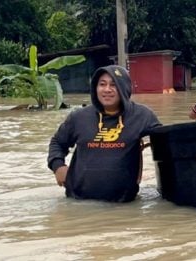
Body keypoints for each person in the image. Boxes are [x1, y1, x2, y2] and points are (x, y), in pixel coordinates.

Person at [47, 65, 162, 202]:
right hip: (77, 203)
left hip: (123, 206)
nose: (107, 89)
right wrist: (58, 166)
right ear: (95, 88)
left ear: (124, 88)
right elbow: (57, 142)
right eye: (102, 84)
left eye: (114, 85)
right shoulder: (79, 117)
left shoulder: (142, 116)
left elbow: (165, 143)